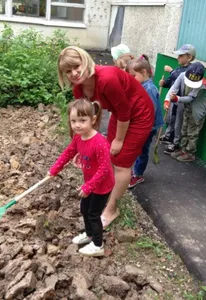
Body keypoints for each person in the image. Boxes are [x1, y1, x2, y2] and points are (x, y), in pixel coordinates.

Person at [57, 46, 155, 228]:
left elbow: (125, 112)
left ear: (86, 60)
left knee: (121, 162)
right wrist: (81, 146)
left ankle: (111, 209)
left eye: (76, 66)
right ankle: (105, 193)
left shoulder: (107, 79)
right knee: (108, 155)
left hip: (139, 113)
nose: (74, 73)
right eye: (68, 71)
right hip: (120, 113)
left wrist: (119, 140)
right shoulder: (78, 88)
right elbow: (87, 116)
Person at [48, 99, 114, 257]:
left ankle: (98, 245)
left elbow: (105, 169)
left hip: (102, 185)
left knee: (93, 213)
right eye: (73, 121)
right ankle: (90, 235)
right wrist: (54, 170)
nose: (77, 125)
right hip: (91, 183)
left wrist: (88, 187)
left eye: (82, 121)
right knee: (84, 209)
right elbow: (68, 153)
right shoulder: (79, 137)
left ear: (93, 120)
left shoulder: (99, 143)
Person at [125, 55, 164, 188]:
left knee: (142, 150)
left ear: (144, 72)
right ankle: (135, 170)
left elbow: (149, 110)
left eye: (133, 76)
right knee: (137, 149)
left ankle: (138, 175)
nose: (131, 80)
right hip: (143, 126)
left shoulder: (149, 89)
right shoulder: (141, 85)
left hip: (148, 127)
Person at [165, 62, 206, 162]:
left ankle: (190, 153)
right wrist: (167, 100)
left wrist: (177, 99)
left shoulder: (202, 85)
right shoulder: (182, 75)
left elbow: (190, 98)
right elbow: (173, 88)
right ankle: (183, 148)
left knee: (192, 133)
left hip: (197, 111)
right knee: (184, 129)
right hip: (188, 108)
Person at [159, 44, 196, 155]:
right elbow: (172, 81)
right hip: (173, 98)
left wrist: (170, 71)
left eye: (181, 56)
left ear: (189, 57)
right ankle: (168, 135)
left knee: (178, 122)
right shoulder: (179, 68)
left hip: (181, 101)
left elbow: (178, 76)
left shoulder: (190, 70)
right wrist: (164, 83)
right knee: (170, 118)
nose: (178, 58)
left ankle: (175, 143)